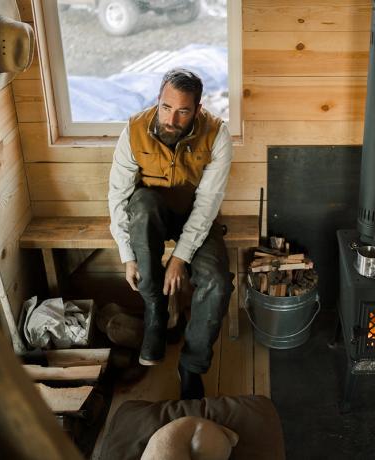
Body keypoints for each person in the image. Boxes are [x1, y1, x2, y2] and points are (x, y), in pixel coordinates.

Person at [108, 68, 233, 400]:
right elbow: (118, 197)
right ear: (158, 99)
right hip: (153, 215)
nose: (172, 118)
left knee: (217, 282)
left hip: (197, 218)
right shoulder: (134, 131)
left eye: (183, 111)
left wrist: (180, 258)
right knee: (143, 203)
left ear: (198, 108)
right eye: (166, 107)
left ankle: (191, 365)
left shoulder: (218, 135)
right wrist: (127, 255)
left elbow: (207, 205)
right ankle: (155, 312)